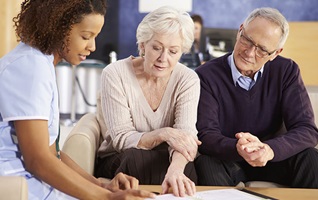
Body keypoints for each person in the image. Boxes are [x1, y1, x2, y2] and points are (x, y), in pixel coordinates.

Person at [0, 0, 155, 199]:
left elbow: (51, 152)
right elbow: (37, 160)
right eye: (85, 36)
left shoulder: (39, 62)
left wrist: (100, 185)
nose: (92, 46)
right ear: (57, 27)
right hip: (18, 188)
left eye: (95, 37)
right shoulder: (30, 67)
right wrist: (105, 198)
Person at [195, 7, 318, 188]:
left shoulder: (286, 71)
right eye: (247, 40)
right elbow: (205, 134)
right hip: (228, 158)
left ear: (275, 53)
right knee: (206, 163)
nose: (249, 53)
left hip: (273, 157)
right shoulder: (206, 75)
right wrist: (239, 147)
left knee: (311, 159)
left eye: (262, 49)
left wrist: (269, 149)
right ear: (239, 31)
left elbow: (307, 130)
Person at [95, 6, 201, 197]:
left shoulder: (188, 79)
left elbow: (186, 137)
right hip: (121, 158)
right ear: (143, 45)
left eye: (173, 51)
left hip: (166, 159)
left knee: (185, 170)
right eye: (156, 48)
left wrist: (176, 170)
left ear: (182, 52)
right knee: (136, 160)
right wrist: (165, 134)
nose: (163, 59)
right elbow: (121, 139)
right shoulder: (115, 74)